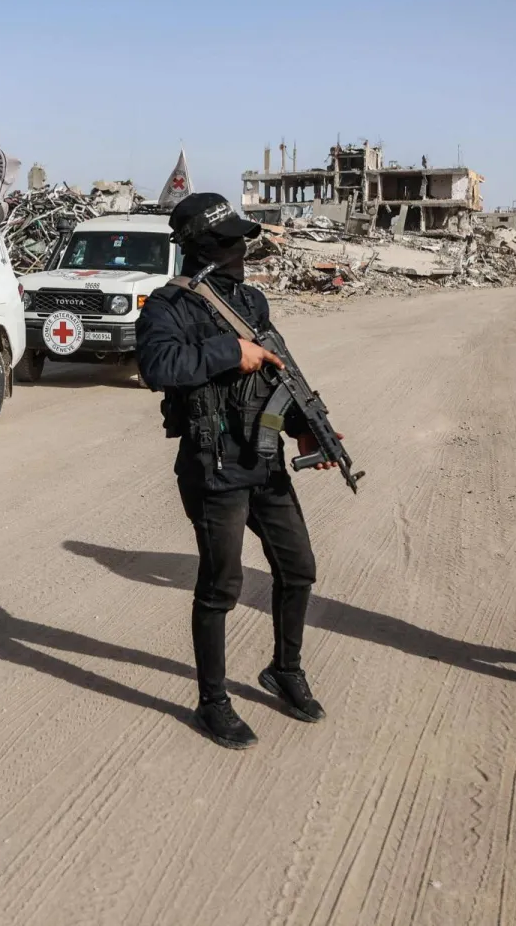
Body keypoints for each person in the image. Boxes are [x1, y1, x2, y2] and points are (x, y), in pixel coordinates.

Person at [136, 192, 334, 750]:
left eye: (243, 240)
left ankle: (285, 670)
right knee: (222, 586)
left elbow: (275, 373)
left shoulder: (251, 301)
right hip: (212, 463)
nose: (242, 250)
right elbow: (157, 367)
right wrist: (229, 352)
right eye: (231, 241)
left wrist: (303, 424)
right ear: (206, 247)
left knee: (299, 569)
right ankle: (213, 702)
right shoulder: (166, 307)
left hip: (264, 458)